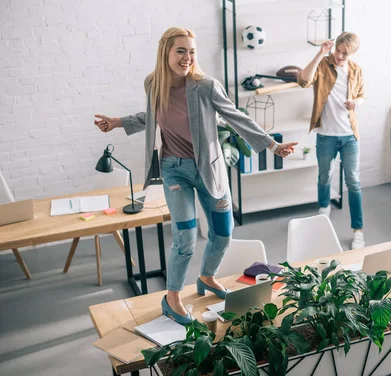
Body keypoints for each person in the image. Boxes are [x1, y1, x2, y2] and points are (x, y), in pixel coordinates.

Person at [94, 27, 297, 325]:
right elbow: (152, 116)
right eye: (181, 51)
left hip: (210, 170)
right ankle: (172, 296)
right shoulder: (153, 84)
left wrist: (272, 144)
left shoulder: (205, 86)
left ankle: (206, 277)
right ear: (165, 52)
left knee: (223, 233)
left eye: (191, 51)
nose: (187, 57)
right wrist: (118, 122)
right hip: (175, 170)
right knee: (186, 238)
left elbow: (235, 116)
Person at [298, 32, 366, 249]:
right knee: (325, 176)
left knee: (353, 182)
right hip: (326, 134)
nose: (339, 56)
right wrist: (320, 53)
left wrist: (357, 103)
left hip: (349, 136)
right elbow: (303, 80)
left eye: (345, 54)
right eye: (337, 50)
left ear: (352, 53)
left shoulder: (356, 70)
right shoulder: (324, 64)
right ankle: (323, 209)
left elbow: (362, 95)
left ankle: (358, 230)